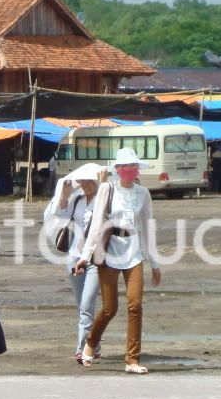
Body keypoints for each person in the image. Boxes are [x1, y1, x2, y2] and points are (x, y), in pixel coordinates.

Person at [74, 147, 161, 375]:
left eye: (133, 167)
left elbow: (147, 227)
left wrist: (155, 262)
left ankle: (132, 359)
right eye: (124, 167)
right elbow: (95, 225)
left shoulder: (143, 193)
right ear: (118, 170)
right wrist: (84, 257)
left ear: (137, 170)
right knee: (109, 309)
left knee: (135, 306)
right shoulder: (106, 188)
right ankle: (90, 343)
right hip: (110, 250)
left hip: (134, 252)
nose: (129, 171)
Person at [44, 163, 105, 363]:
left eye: (89, 180)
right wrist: (64, 193)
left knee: (87, 304)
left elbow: (108, 216)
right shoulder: (77, 200)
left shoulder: (104, 199)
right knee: (81, 305)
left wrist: (104, 186)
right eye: (82, 181)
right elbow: (58, 213)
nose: (86, 184)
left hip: (95, 259)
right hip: (73, 257)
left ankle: (82, 348)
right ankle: (94, 345)